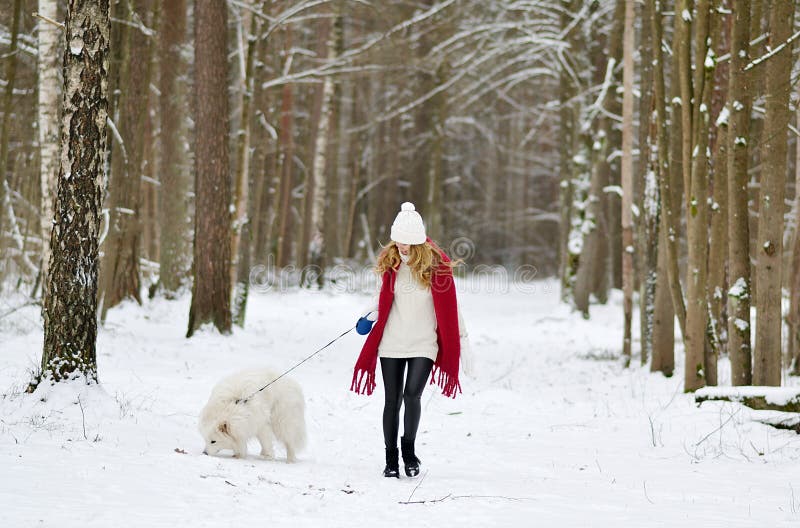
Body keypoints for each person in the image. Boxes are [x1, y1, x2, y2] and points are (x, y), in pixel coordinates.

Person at [351, 202, 469, 478]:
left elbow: (453, 309)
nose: (402, 246)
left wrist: (463, 340)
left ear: (418, 241)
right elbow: (379, 300)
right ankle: (390, 459)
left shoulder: (436, 269)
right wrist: (367, 317)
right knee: (392, 400)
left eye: (407, 241)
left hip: (423, 343)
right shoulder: (391, 266)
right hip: (392, 341)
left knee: (411, 396)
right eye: (398, 240)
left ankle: (409, 452)